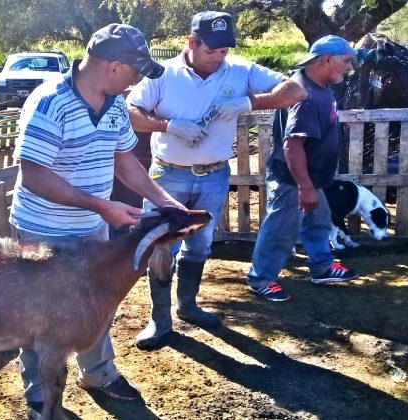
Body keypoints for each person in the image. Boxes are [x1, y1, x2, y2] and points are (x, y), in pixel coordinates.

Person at [9, 23, 184, 417]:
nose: (137, 79)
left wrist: (165, 201)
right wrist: (100, 205)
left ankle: (99, 373)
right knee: (40, 315)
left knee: (98, 303)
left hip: (91, 228)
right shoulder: (50, 102)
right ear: (114, 66)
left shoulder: (117, 106)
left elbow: (125, 162)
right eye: (136, 71)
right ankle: (39, 395)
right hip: (44, 230)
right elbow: (34, 174)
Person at [126, 11, 306, 349]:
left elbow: (295, 90)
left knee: (201, 243)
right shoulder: (163, 75)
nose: (219, 57)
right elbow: (131, 113)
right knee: (162, 244)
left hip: (213, 175)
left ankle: (189, 306)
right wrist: (169, 125)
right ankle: (160, 320)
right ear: (192, 42)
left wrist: (249, 101)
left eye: (224, 50)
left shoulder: (241, 71)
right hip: (167, 174)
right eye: (211, 51)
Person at [246, 35, 360, 302]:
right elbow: (293, 146)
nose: (350, 67)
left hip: (309, 177)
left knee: (318, 220)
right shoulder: (306, 97)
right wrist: (305, 187)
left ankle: (321, 267)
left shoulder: (317, 85)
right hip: (293, 180)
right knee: (280, 229)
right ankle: (260, 279)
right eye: (346, 61)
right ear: (326, 60)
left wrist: (312, 184)